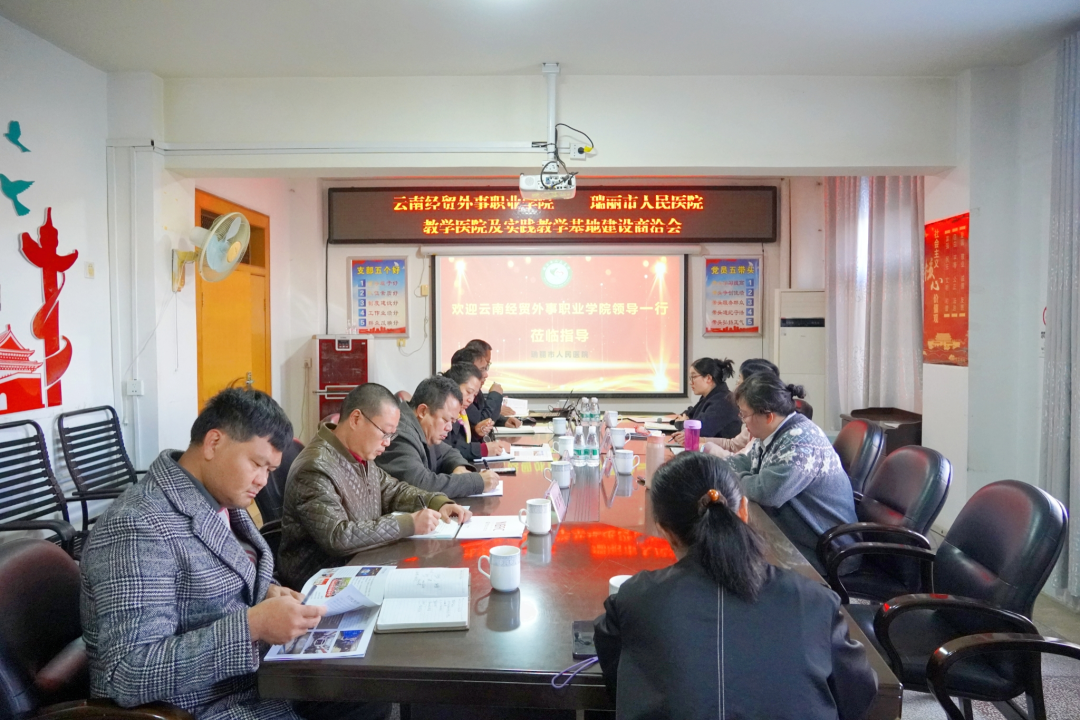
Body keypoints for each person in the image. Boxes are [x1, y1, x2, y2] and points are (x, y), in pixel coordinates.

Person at [80, 388, 390, 720]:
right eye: (257, 464)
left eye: (270, 470)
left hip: (255, 680)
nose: (262, 480)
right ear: (214, 443)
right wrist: (253, 625)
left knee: (368, 695)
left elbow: (227, 574)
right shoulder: (138, 525)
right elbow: (129, 673)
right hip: (205, 706)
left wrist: (266, 590)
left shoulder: (218, 497)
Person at [593, 452, 876, 720]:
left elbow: (620, 690)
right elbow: (858, 694)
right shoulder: (816, 602)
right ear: (743, 510)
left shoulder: (634, 600)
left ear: (665, 532)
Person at [278, 383, 473, 589]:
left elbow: (393, 490)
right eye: (385, 433)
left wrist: (437, 502)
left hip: (362, 561)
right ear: (356, 419)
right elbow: (338, 536)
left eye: (391, 435)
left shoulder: (359, 453)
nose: (387, 443)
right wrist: (408, 523)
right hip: (320, 581)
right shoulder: (315, 467)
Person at [725, 373, 856, 569]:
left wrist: (738, 476)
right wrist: (742, 474)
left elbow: (766, 493)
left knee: (731, 557)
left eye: (744, 414)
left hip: (826, 552)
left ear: (768, 416)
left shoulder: (801, 442)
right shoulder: (772, 434)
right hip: (794, 535)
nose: (743, 421)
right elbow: (741, 462)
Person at [376, 375, 499, 498]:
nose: (449, 428)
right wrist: (475, 482)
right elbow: (420, 485)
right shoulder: (400, 435)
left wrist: (459, 467)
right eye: (446, 420)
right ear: (423, 411)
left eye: (452, 421)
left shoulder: (424, 429)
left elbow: (448, 452)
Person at [700, 358, 780, 459]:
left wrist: (704, 447)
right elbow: (733, 445)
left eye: (739, 381)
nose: (736, 387)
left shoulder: (762, 420)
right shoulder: (756, 416)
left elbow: (741, 461)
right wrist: (702, 440)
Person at [441, 362, 511, 461]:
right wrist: (482, 450)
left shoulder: (462, 413)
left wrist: (475, 433)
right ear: (454, 386)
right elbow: (445, 448)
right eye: (468, 392)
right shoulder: (441, 411)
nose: (471, 400)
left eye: (474, 395)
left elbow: (460, 441)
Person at [453, 342, 523, 434]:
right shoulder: (456, 393)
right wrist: (495, 395)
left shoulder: (474, 390)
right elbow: (480, 421)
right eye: (482, 369)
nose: (486, 374)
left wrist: (503, 421)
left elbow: (480, 416)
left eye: (487, 367)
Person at [671, 357, 741, 442]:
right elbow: (690, 413)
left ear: (708, 378)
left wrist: (682, 423)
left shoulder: (724, 401)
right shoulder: (710, 396)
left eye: (693, 377)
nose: (690, 382)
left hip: (719, 450)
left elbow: (700, 431)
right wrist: (686, 421)